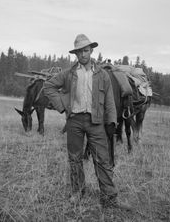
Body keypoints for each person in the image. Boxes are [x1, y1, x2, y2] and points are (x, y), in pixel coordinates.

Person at [44, 34, 129, 209]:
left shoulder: (103, 75)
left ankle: (109, 197)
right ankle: (78, 192)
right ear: (75, 54)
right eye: (79, 52)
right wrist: (62, 106)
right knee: (75, 158)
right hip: (74, 121)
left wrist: (111, 122)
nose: (83, 54)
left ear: (91, 51)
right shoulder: (69, 73)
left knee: (102, 159)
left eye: (85, 50)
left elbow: (110, 101)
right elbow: (48, 86)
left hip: (96, 122)